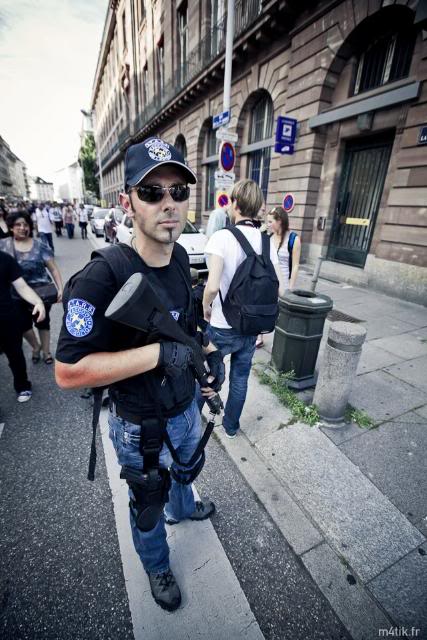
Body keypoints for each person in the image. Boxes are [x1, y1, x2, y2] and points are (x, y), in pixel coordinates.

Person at [55, 137, 224, 612]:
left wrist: (207, 354)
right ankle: (156, 564)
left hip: (186, 406)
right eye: (152, 192)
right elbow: (68, 372)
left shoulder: (178, 262)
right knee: (148, 503)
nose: (168, 204)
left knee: (187, 473)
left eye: (178, 191)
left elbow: (188, 327)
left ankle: (185, 508)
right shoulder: (102, 276)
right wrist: (156, 356)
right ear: (127, 201)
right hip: (139, 425)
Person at [202, 179, 284, 438]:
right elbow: (279, 285)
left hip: (222, 324)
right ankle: (231, 426)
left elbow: (212, 286)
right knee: (240, 378)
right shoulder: (266, 242)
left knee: (207, 373)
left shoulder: (221, 238)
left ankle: (194, 418)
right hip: (250, 326)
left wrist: (205, 307)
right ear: (257, 206)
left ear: (235, 203)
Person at [0, 210, 63, 365]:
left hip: (42, 293)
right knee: (22, 325)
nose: (22, 227)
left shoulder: (40, 245)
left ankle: (46, 351)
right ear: (11, 227)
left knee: (43, 323)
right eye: (18, 224)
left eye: (25, 224)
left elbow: (53, 269)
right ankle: (36, 347)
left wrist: (60, 288)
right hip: (15, 294)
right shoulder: (4, 245)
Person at [0, 250, 45, 402]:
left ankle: (22, 385)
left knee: (15, 355)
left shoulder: (5, 259)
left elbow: (22, 287)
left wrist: (38, 302)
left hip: (6, 318)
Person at [266, 206, 301, 290]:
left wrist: (290, 288)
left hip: (284, 286)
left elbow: (295, 266)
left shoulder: (294, 239)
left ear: (279, 221)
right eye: (268, 222)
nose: (268, 225)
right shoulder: (268, 237)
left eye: (270, 222)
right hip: (267, 284)